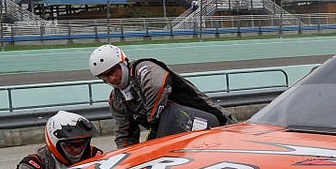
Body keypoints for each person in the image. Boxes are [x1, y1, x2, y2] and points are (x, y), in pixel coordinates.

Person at [88, 44, 233, 148]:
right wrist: (126, 160)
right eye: (104, 76)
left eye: (113, 72)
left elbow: (156, 86)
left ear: (123, 62)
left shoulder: (143, 68)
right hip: (178, 140)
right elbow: (124, 136)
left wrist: (153, 125)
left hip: (215, 122)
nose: (111, 79)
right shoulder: (117, 99)